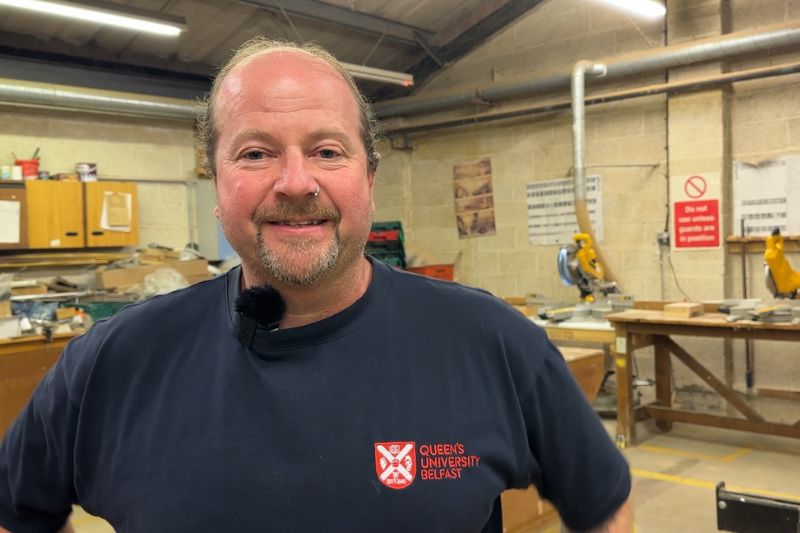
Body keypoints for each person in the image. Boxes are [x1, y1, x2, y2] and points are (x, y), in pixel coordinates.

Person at [0, 38, 632, 532]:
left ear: (369, 177)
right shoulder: (110, 362)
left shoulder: (494, 342)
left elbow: (601, 500)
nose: (297, 182)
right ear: (215, 184)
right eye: (255, 153)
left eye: (328, 151)